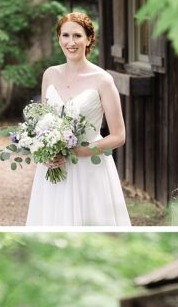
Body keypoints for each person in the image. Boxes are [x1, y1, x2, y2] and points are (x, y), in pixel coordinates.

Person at [26, 13, 131, 226]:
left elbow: (119, 136)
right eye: (65, 35)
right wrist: (44, 150)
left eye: (77, 35)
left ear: (89, 39)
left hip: (89, 169)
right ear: (59, 39)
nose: (70, 42)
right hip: (53, 168)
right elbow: (44, 121)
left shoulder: (103, 80)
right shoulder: (50, 75)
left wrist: (77, 152)